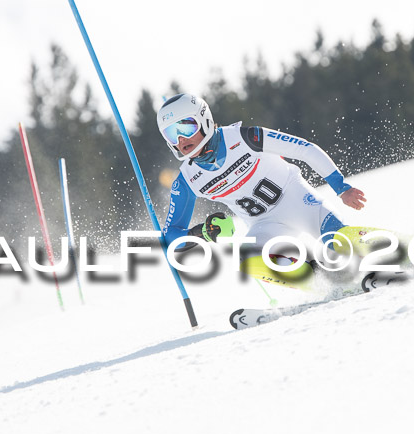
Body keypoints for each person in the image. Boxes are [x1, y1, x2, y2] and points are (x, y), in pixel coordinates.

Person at [157, 93, 368, 290]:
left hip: (299, 202)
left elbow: (304, 148)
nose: (181, 140)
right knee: (246, 259)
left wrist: (341, 187)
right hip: (265, 225)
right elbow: (170, 238)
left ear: (203, 121)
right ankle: (321, 279)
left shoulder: (244, 137)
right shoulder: (187, 180)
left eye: (185, 128)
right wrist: (202, 232)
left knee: (337, 239)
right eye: (171, 134)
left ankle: (372, 258)